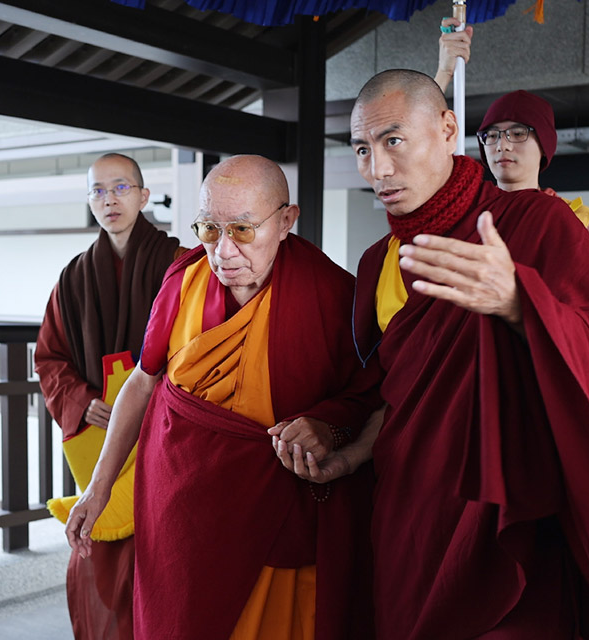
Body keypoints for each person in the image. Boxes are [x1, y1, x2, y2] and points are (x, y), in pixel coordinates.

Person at [276, 68, 589, 639]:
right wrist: (341, 441)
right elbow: (388, 392)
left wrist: (521, 303)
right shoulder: (378, 261)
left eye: (393, 140)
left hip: (511, 522)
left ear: (448, 129)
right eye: (362, 148)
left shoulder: (535, 224)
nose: (377, 169)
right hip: (407, 515)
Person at [65, 155, 382, 639]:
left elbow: (369, 397)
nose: (224, 251)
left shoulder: (335, 295)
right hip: (179, 515)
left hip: (277, 513)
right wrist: (99, 486)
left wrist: (325, 426)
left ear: (285, 221)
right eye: (209, 229)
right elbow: (144, 380)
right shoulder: (183, 280)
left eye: (242, 229)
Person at [34, 152, 182, 639]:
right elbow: (49, 358)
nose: (109, 199)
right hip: (101, 436)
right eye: (98, 190)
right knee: (100, 554)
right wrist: (80, 401)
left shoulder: (179, 263)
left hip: (165, 434)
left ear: (143, 196)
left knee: (162, 556)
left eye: (121, 187)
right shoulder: (74, 277)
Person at [435, 17, 589, 225]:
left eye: (518, 134)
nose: (502, 145)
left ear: (545, 144)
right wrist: (444, 72)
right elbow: (416, 134)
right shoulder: (466, 216)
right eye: (491, 135)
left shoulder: (579, 221)